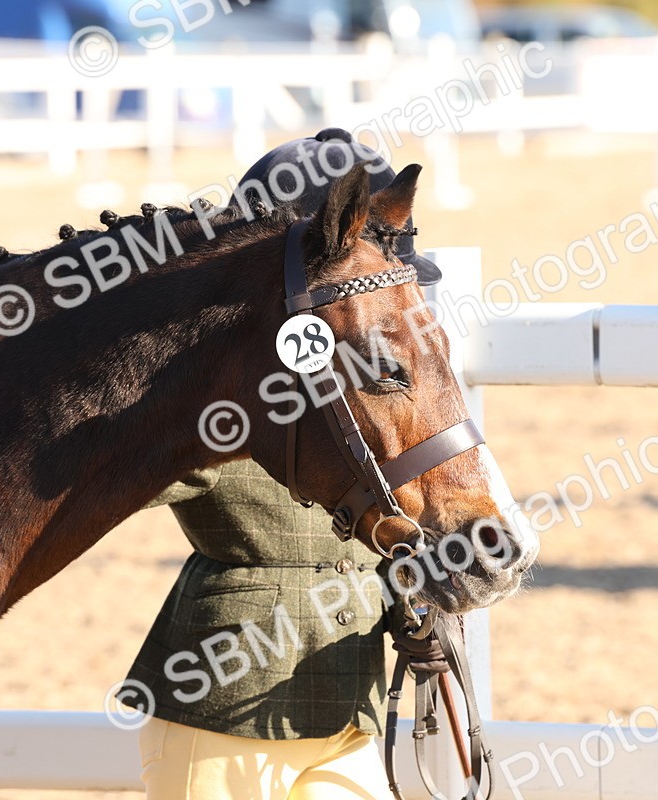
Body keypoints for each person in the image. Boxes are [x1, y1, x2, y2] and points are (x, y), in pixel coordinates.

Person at [123, 129, 445, 800]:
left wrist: (413, 616)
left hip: (348, 707)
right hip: (221, 711)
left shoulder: (371, 416)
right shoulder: (224, 405)